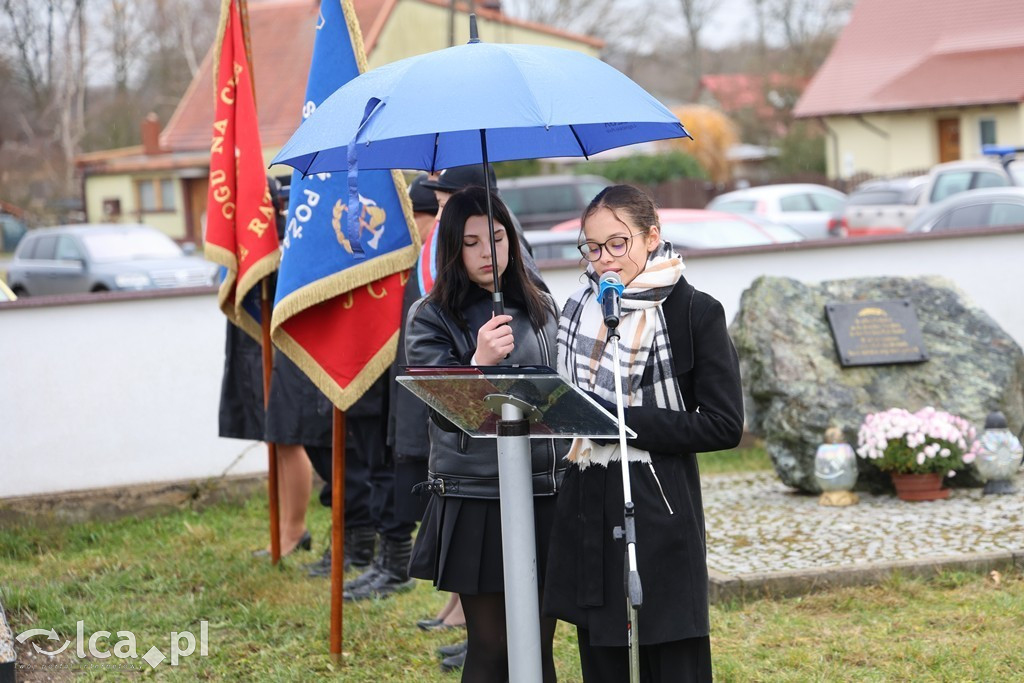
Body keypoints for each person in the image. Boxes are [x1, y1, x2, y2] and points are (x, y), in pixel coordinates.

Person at [543, 185, 744, 682]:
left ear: (651, 237)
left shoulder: (694, 311)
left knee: (671, 653)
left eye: (618, 243)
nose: (604, 260)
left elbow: (724, 425)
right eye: (592, 247)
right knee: (604, 655)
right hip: (590, 499)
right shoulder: (577, 310)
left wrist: (623, 420)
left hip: (659, 503)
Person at [405, 186, 567, 682]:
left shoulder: (540, 306)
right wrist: (478, 364)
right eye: (471, 242)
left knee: (539, 645)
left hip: (543, 490)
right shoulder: (430, 317)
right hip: (476, 495)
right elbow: (442, 414)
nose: (486, 254)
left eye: (496, 239)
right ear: (452, 247)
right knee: (493, 645)